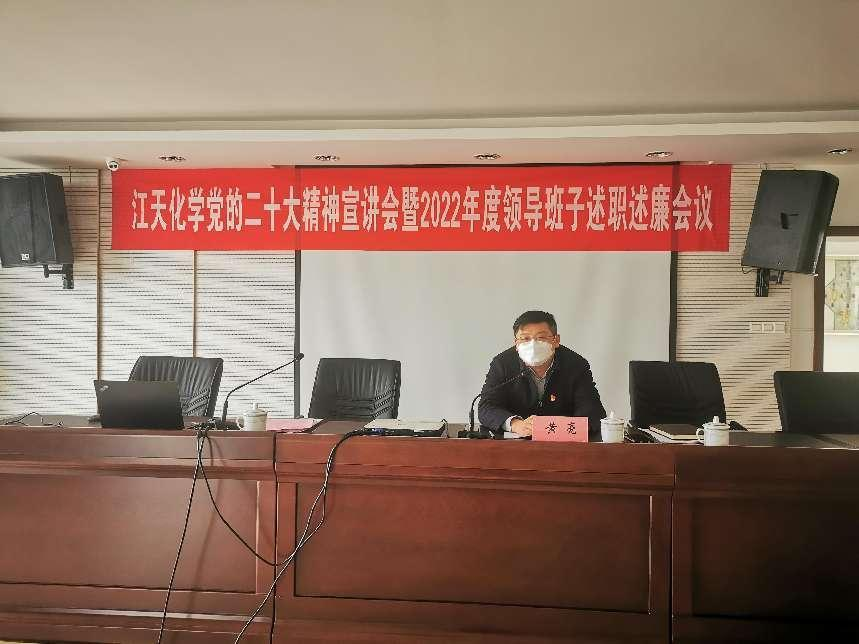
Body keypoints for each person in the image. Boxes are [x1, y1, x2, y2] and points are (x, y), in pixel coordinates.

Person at [478, 310, 606, 438]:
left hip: (562, 442)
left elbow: (593, 411)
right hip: (515, 442)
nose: (533, 345)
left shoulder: (576, 364)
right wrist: (516, 424)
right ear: (516, 343)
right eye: (525, 338)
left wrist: (558, 426)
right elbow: (486, 407)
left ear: (556, 340)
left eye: (541, 338)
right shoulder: (502, 364)